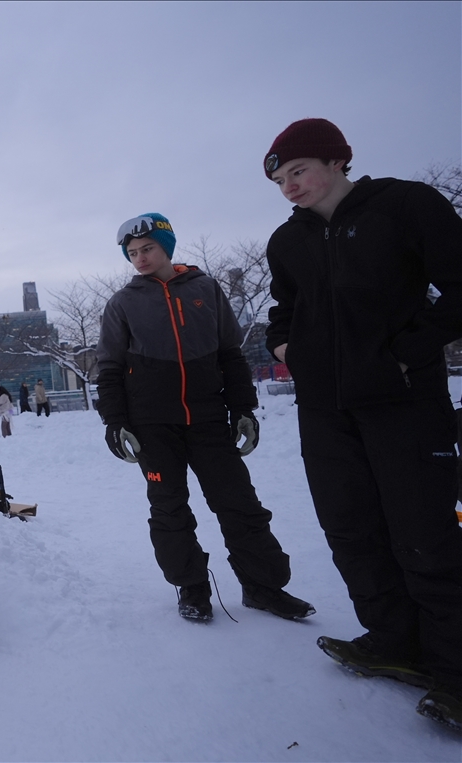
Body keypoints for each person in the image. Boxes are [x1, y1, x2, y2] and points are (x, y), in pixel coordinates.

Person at [262, 118, 462, 731]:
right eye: (279, 179)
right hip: (326, 412)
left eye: (298, 170)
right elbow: (284, 310)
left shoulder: (405, 206)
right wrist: (284, 346)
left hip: (404, 405)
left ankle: (455, 668)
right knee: (351, 528)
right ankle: (394, 640)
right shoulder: (286, 241)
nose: (289, 187)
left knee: (424, 530)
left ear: (338, 160)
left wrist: (409, 350)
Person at [97, 212, 313, 623]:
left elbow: (230, 355)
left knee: (239, 504)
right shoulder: (123, 303)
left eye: (148, 249)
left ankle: (263, 587)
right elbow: (108, 368)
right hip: (152, 425)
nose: (140, 258)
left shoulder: (205, 289)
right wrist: (114, 421)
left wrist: (244, 408)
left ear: (167, 247)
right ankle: (192, 588)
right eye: (132, 253)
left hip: (209, 418)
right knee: (169, 507)